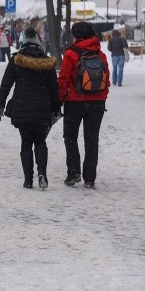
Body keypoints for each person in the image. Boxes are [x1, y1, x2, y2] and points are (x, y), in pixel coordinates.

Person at [0, 27, 61, 189]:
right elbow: (54, 89)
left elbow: (5, 86)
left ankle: (28, 180)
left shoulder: (17, 60)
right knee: (40, 141)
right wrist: (55, 110)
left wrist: (0, 108)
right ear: (39, 42)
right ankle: (42, 174)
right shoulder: (47, 63)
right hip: (42, 109)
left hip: (21, 108)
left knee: (25, 143)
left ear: (23, 41)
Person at [58, 21, 109, 189]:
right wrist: (101, 99)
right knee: (92, 138)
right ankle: (90, 177)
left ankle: (73, 173)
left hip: (74, 102)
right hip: (97, 103)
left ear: (76, 35)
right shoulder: (100, 55)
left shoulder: (71, 53)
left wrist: (59, 100)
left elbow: (64, 80)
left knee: (70, 137)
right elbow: (106, 81)